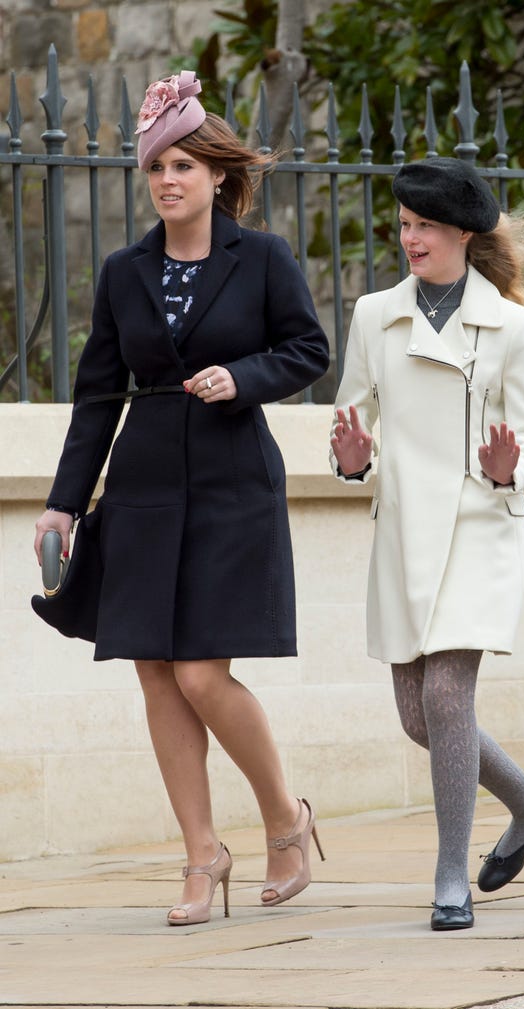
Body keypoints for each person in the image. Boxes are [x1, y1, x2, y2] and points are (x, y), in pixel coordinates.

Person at [32, 71, 330, 925]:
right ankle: (202, 856)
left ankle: (285, 819)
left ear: (215, 175)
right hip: (145, 483)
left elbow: (308, 349)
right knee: (156, 675)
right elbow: (96, 397)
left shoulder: (262, 256)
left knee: (204, 671)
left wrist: (241, 377)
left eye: (185, 165)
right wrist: (63, 504)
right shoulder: (126, 273)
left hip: (236, 481)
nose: (168, 179)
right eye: (156, 165)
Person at [329, 158, 524, 931]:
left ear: (463, 232)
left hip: (478, 524)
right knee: (417, 715)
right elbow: (348, 431)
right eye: (403, 225)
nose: (410, 238)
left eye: (425, 225)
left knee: (444, 696)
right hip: (401, 530)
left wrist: (510, 467)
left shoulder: (510, 323)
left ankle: (450, 876)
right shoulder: (373, 315)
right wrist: (351, 459)